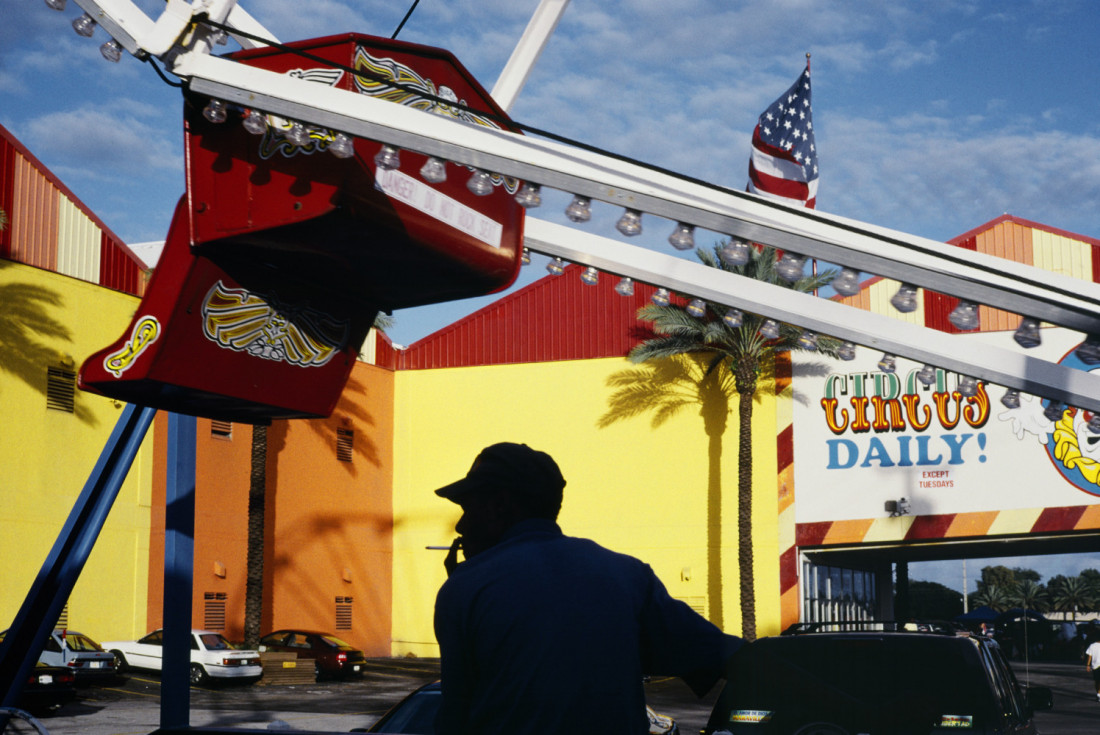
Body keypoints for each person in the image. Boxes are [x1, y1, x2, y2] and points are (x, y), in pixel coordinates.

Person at [432, 442, 743, 735]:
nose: (461, 526)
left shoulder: (466, 587)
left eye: (468, 509)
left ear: (500, 505)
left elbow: (455, 716)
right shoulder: (629, 575)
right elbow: (731, 658)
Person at [1085, 633, 1100, 702]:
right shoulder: (1092, 646)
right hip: (1096, 666)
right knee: (1097, 681)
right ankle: (1098, 694)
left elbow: (1089, 656)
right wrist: (1088, 665)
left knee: (1097, 681)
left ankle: (1098, 694)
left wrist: (1088, 665)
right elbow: (1090, 656)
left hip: (1095, 666)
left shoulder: (1092, 645)